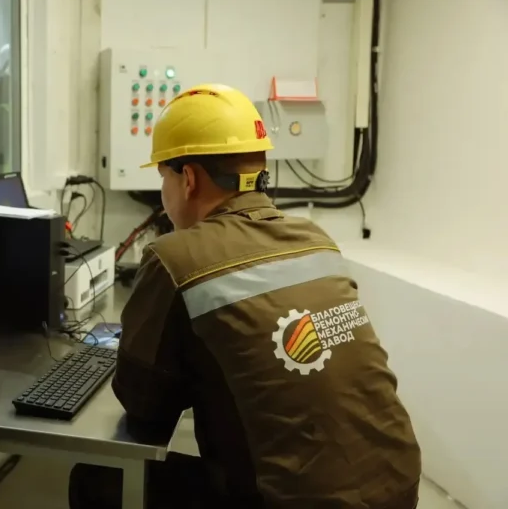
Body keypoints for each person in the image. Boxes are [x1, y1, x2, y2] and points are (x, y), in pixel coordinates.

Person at [68, 84, 421, 508]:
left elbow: (143, 405)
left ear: (189, 179)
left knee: (97, 479)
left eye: (163, 176)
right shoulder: (316, 240)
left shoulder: (175, 257)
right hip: (398, 488)